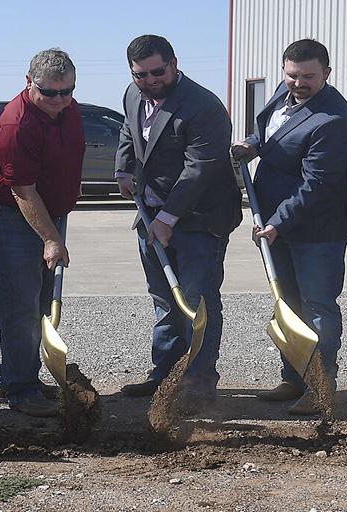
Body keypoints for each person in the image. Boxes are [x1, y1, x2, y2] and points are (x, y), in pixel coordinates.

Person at [231, 39, 347, 416]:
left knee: (318, 305)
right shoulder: (284, 92)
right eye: (292, 75)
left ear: (327, 73)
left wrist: (276, 223)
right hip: (274, 222)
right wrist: (253, 145)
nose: (299, 83)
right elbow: (275, 133)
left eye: (308, 77)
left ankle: (322, 386)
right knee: (287, 303)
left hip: (315, 230)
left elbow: (315, 185)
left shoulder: (335, 122)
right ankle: (294, 378)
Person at [115, 34, 242, 412]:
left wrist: (168, 218)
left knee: (198, 300)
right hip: (152, 214)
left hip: (201, 220)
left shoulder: (203, 106)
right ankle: (166, 374)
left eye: (158, 71)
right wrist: (123, 169)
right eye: (141, 74)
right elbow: (128, 130)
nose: (150, 80)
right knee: (164, 300)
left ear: (174, 63)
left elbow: (198, 169)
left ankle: (199, 381)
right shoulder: (133, 94)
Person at [0, 48, 86, 417]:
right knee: (21, 303)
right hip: (9, 217)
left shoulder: (69, 109)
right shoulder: (15, 124)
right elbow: (22, 190)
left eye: (66, 91)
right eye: (49, 92)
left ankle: (18, 374)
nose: (59, 100)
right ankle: (21, 389)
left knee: (41, 301)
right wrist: (51, 238)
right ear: (28, 82)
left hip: (48, 214)